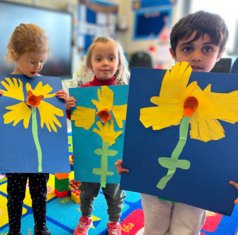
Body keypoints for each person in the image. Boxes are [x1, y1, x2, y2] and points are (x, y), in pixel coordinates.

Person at [117, 10, 229, 235]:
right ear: (173, 52)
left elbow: (228, 144)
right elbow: (140, 130)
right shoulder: (153, 89)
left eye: (207, 48)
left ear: (220, 53)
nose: (196, 56)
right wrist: (129, 159)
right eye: (188, 48)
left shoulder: (227, 98)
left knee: (185, 229)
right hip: (153, 177)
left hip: (197, 181)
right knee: (155, 227)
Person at [0, 23, 61, 235]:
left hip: (39, 156)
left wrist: (63, 101)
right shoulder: (5, 86)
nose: (38, 66)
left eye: (41, 60)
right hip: (15, 156)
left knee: (39, 194)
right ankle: (14, 230)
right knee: (15, 195)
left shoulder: (47, 86)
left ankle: (41, 227)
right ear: (14, 55)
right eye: (32, 61)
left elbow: (57, 120)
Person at [65, 36, 130, 235]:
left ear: (118, 64)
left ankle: (113, 222)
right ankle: (85, 219)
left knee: (115, 193)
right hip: (90, 152)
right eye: (99, 58)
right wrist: (69, 108)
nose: (105, 63)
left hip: (115, 154)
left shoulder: (124, 92)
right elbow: (76, 119)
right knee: (87, 191)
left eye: (111, 58)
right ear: (90, 64)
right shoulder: (82, 93)